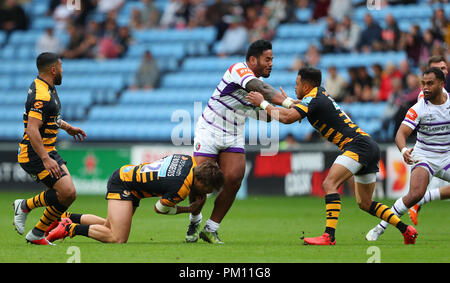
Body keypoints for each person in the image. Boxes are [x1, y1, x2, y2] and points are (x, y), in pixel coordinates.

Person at [246, 67, 418, 245]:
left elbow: (289, 117)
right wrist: (285, 101)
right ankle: (406, 230)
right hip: (368, 145)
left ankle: (329, 236)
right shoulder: (319, 94)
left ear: (306, 86)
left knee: (329, 184)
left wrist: (263, 103)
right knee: (365, 203)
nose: (295, 87)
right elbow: (299, 106)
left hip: (357, 146)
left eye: (297, 84)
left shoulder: (313, 99)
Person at [187, 39, 297, 244]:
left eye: (272, 59)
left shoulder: (255, 94)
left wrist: (295, 112)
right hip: (209, 130)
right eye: (267, 59)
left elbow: (266, 113)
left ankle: (211, 228)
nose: (271, 63)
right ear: (253, 59)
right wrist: (288, 101)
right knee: (199, 182)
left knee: (235, 178)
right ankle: (194, 219)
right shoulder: (238, 70)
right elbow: (260, 87)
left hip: (233, 134)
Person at [46, 155, 225, 244]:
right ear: (200, 181)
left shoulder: (189, 160)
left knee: (108, 226)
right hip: (124, 185)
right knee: (117, 238)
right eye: (208, 189)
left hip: (130, 177)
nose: (207, 193)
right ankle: (69, 228)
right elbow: (159, 208)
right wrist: (190, 208)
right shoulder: (180, 188)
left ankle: (64, 217)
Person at [366, 68, 450, 241]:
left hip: (447, 155)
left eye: (430, 83)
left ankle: (425, 198)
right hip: (425, 155)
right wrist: (404, 150)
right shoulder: (419, 108)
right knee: (415, 194)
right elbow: (400, 134)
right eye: (423, 83)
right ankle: (380, 228)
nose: (425, 87)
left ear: (442, 85)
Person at [13, 52, 87, 245]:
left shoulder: (45, 87)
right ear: (53, 69)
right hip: (35, 153)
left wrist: (66, 127)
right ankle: (24, 206)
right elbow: (32, 129)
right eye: (61, 67)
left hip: (47, 149)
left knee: (66, 195)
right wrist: (46, 158)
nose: (63, 71)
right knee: (68, 192)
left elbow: (49, 117)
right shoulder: (42, 94)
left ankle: (37, 233)